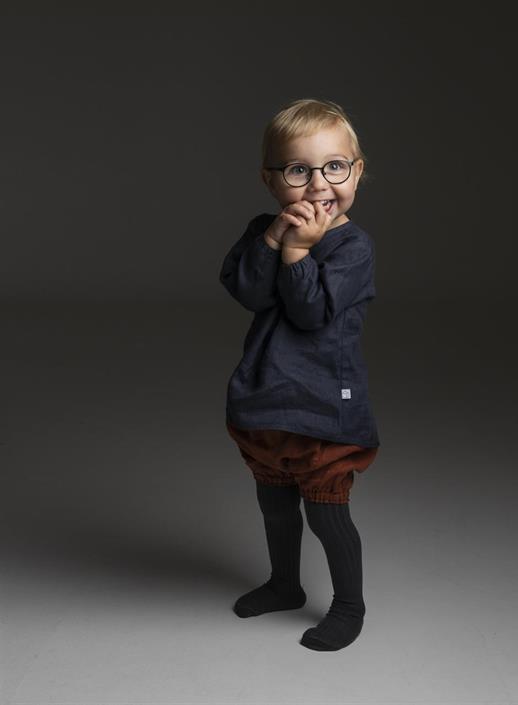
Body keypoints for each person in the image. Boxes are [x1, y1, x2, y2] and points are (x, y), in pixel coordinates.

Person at [219, 98, 381, 651]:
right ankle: (284, 584)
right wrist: (273, 241)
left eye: (334, 167)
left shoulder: (354, 247)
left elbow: (310, 312)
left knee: (326, 512)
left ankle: (349, 606)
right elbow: (247, 291)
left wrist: (297, 254)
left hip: (324, 406)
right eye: (298, 170)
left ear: (356, 171)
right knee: (275, 505)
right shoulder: (264, 230)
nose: (318, 185)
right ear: (270, 180)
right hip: (268, 397)